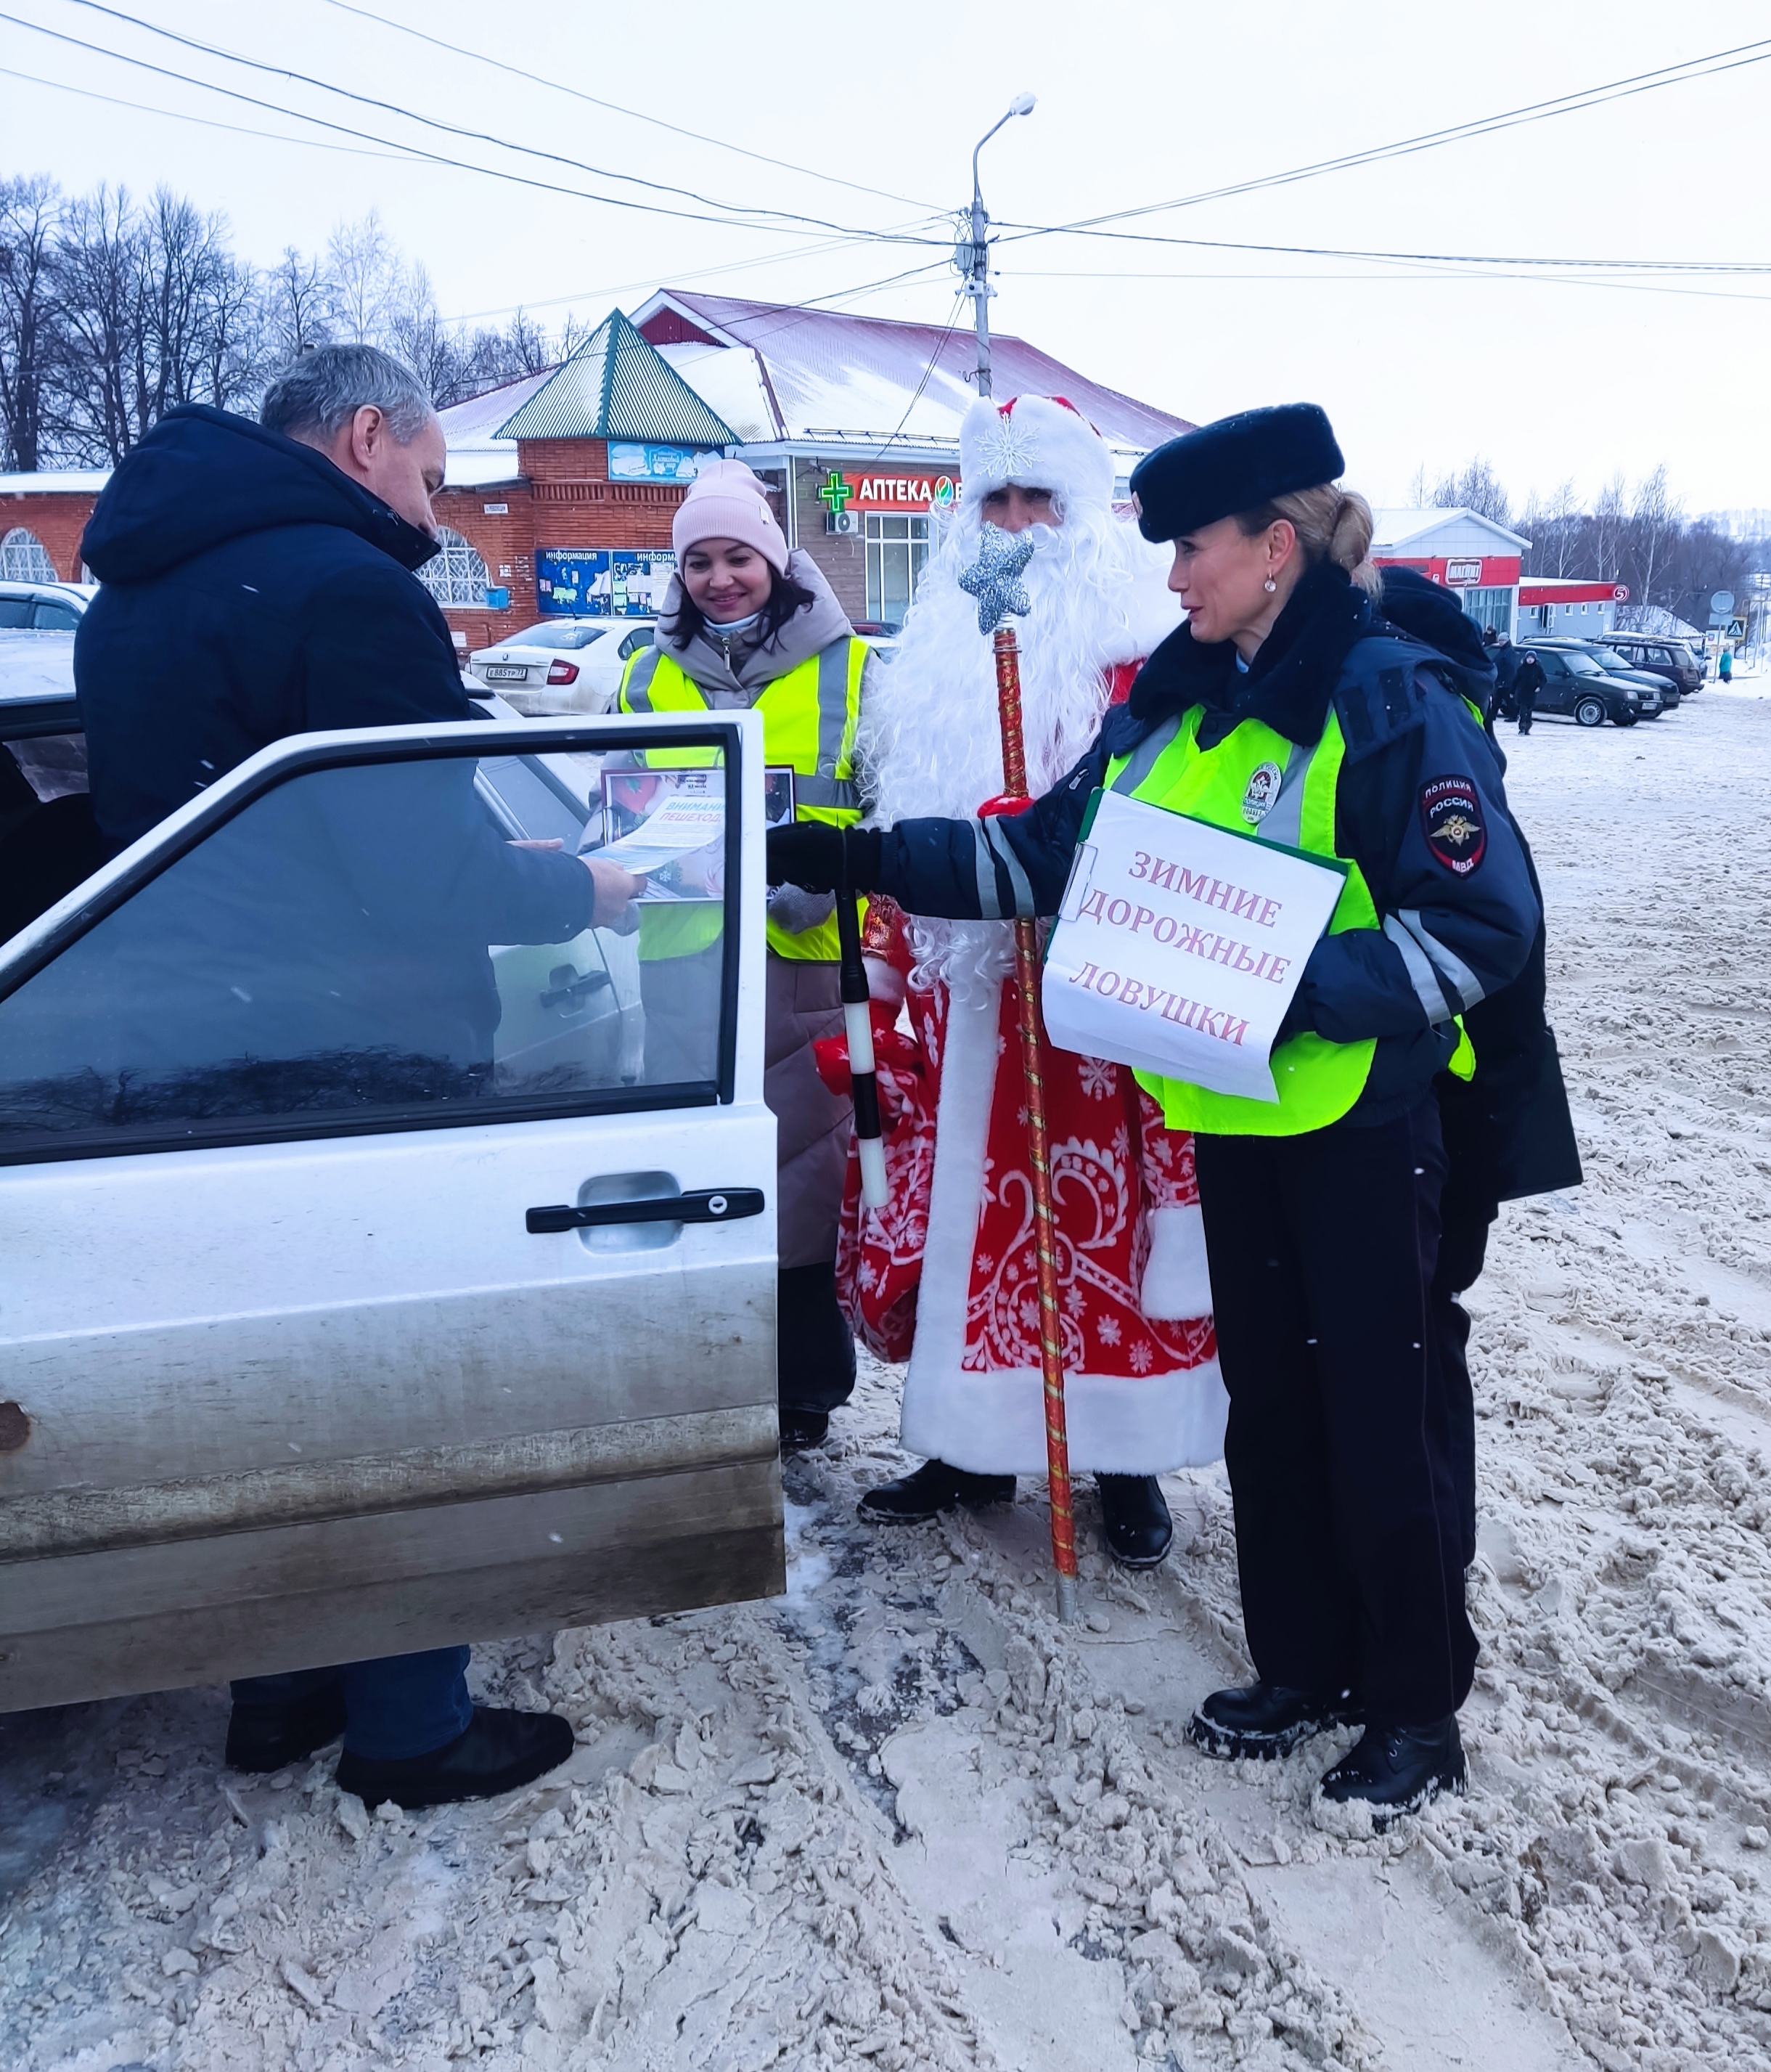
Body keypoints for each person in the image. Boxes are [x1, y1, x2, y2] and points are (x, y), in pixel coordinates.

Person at [767, 403, 1542, 1823]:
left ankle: (1413, 1706)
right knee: (1276, 1412)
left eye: (1190, 546)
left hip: (1364, 1123)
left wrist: (1280, 983)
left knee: (1382, 1414)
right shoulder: (1170, 693)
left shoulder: (1386, 692)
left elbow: (1478, 922)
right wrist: (860, 852)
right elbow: (1038, 851)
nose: (1170, 574)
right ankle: (1300, 1663)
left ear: (1276, 542)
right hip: (1229, 1117)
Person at [75, 344, 637, 1809]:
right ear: (369, 434)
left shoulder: (133, 585)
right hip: (351, 1054)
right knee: (398, 1395)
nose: (435, 506)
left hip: (180, 1048)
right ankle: (407, 1723)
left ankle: (279, 1687)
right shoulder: (346, 587)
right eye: (434, 475)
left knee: (257, 1394)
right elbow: (417, 876)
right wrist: (577, 889)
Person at [823, 395, 1223, 1566]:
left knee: (1113, 1230)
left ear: (1084, 511)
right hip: (968, 1000)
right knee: (967, 1214)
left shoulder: (1141, 654)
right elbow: (902, 827)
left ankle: (1128, 1456)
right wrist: (895, 973)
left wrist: (1054, 860)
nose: (1011, 525)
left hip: (1096, 1008)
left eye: (1034, 499)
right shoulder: (932, 654)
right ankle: (968, 1439)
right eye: (989, 501)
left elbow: (1173, 822)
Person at [617, 461, 883, 1452]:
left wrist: (838, 872)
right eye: (699, 562)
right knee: (698, 1170)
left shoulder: (849, 667)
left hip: (802, 951)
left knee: (805, 1171)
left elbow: (885, 810)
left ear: (775, 558)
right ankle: (712, 1371)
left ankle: (806, 1385)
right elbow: (616, 796)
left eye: (738, 557)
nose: (720, 578)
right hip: (687, 953)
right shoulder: (647, 672)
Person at [1377, 572, 1583, 1566]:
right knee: (1420, 1344)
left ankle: (1436, 1559)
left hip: (1445, 1107)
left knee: (1416, 1353)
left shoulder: (1434, 749)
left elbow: (1493, 959)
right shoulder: (1451, 732)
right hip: (1462, 1106)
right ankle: (1428, 1552)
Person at [1511, 647, 1544, 733]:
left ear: (1535, 659)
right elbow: (1516, 680)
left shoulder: (1538, 669)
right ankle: (1521, 727)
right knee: (1523, 711)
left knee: (1529, 712)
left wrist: (1539, 687)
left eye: (1532, 658)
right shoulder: (1521, 669)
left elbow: (1544, 679)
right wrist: (1512, 691)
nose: (1530, 660)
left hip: (1532, 693)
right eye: (1528, 658)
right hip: (1522, 693)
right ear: (1526, 659)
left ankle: (1527, 728)